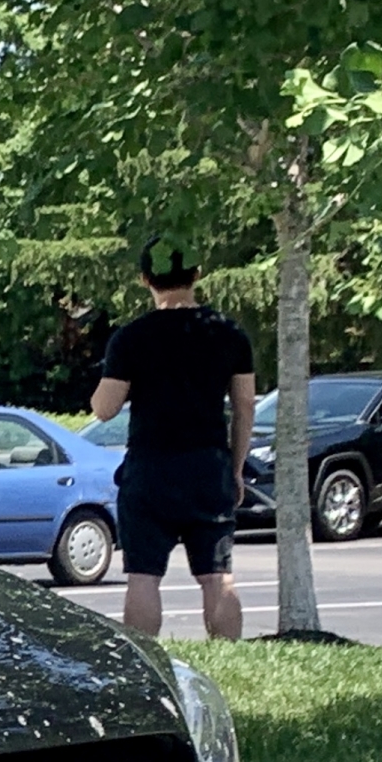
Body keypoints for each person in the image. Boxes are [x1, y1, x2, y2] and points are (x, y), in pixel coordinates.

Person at [89, 238, 257, 639]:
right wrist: (234, 469)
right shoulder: (228, 334)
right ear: (197, 275)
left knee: (143, 576)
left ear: (146, 279)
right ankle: (230, 654)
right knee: (217, 576)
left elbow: (104, 408)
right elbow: (246, 404)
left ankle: (146, 656)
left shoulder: (130, 338)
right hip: (208, 465)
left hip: (150, 468)